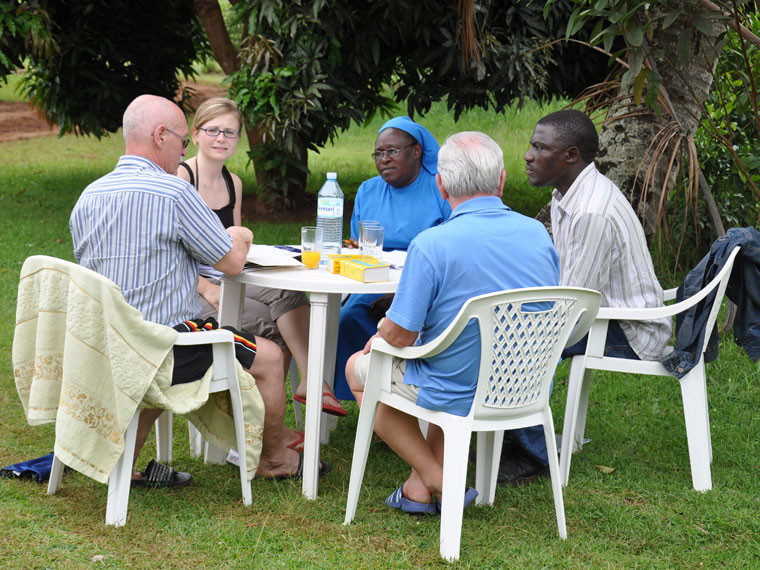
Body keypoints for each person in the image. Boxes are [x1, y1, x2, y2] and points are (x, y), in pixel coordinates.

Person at [70, 94, 326, 485]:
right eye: (181, 141)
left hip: (104, 343)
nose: (183, 150)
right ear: (160, 136)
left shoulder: (88, 196)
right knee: (271, 357)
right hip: (161, 347)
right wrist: (239, 233)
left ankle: (124, 466)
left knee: (211, 340)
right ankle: (274, 459)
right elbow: (232, 262)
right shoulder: (173, 193)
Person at [345, 131, 559, 513]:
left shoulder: (432, 244)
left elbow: (400, 334)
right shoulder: (539, 235)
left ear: (441, 186)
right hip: (524, 381)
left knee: (359, 369)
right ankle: (417, 487)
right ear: (502, 180)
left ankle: (436, 478)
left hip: (457, 386)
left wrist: (378, 337)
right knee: (446, 360)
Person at [497, 108, 672, 486]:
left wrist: (522, 324)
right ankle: (508, 438)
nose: (528, 156)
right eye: (531, 145)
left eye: (539, 147)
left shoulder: (591, 211)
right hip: (604, 314)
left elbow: (571, 307)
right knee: (513, 328)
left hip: (631, 331)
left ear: (570, 156)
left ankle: (534, 455)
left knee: (519, 341)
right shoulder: (571, 196)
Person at [177, 97, 345, 422]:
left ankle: (309, 382)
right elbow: (172, 255)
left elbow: (236, 245)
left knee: (289, 292)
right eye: (213, 130)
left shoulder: (233, 184)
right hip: (193, 290)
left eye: (230, 132)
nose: (222, 138)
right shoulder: (182, 180)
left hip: (230, 276)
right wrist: (207, 289)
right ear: (196, 134)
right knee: (274, 327)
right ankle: (256, 429)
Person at [333, 116, 452, 400]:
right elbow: (357, 248)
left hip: (426, 286)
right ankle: (362, 390)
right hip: (375, 282)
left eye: (392, 151)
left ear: (416, 151)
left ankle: (402, 390)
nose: (383, 159)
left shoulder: (440, 188)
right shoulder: (368, 189)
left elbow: (450, 247)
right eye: (378, 153)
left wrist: (400, 292)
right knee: (348, 316)